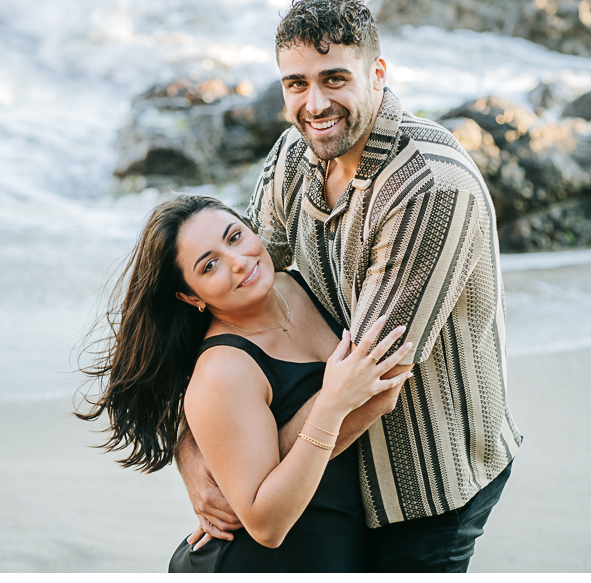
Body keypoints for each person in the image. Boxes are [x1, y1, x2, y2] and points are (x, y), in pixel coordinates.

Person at [178, 0, 522, 573]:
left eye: (335, 78)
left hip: (425, 485)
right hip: (335, 473)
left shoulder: (429, 189)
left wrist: (250, 481)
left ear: (377, 74)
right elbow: (245, 286)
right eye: (296, 84)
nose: (314, 104)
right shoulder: (297, 149)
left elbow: (372, 382)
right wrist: (197, 449)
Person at [76, 194, 414, 573]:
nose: (238, 263)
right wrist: (332, 404)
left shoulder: (304, 284)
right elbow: (265, 525)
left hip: (339, 545)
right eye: (210, 266)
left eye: (235, 237)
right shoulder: (223, 370)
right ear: (190, 296)